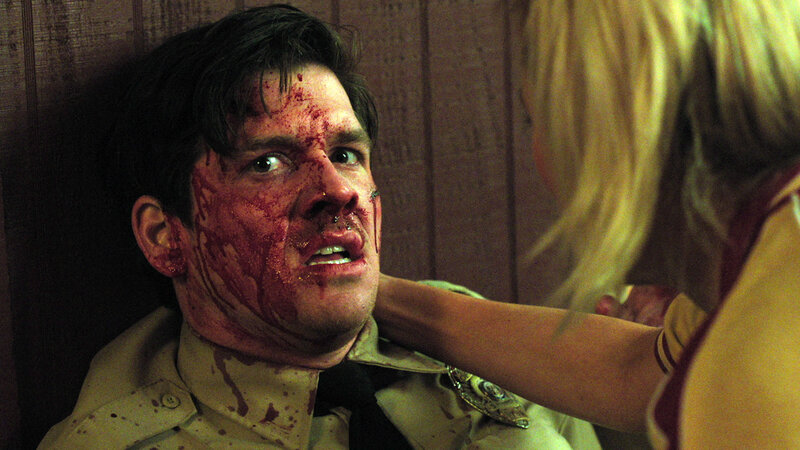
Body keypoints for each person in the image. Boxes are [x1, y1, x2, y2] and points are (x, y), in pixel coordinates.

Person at [38, 5, 601, 449]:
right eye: (267, 163)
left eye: (347, 154)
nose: (338, 191)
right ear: (164, 237)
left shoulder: (483, 349)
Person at [374, 0, 800, 448]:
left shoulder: (758, 362)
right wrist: (379, 297)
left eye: (535, 120)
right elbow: (639, 367)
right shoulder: (764, 254)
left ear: (608, 129)